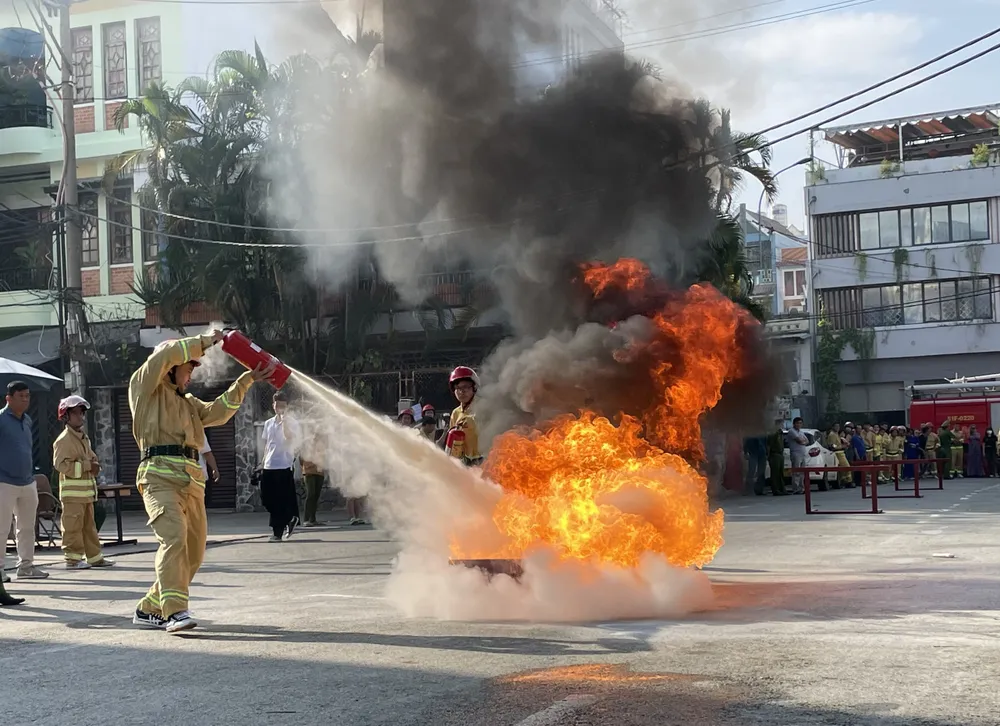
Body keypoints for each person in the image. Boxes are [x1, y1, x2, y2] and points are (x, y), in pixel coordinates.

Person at [129, 331, 274, 633]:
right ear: (173, 365)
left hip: (192, 483)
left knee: (193, 553)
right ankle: (174, 612)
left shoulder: (188, 403)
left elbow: (218, 413)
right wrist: (207, 340)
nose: (192, 373)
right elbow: (162, 356)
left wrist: (247, 379)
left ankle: (148, 608)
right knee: (174, 540)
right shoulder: (144, 388)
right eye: (189, 366)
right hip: (158, 477)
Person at [52, 395, 114, 570]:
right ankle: (72, 560)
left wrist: (95, 466)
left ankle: (95, 557)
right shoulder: (64, 440)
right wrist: (88, 466)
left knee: (89, 528)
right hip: (72, 496)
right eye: (76, 413)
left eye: (82, 413)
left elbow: (92, 459)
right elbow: (60, 465)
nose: (81, 417)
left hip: (86, 494)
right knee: (72, 528)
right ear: (66, 416)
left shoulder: (83, 437)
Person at [0, 380, 48, 581]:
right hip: (4, 481)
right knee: (2, 528)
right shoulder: (1, 419)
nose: (26, 399)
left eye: (27, 396)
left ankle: (26, 566)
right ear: (8, 398)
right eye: (21, 396)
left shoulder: (27, 420)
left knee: (27, 527)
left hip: (27, 481)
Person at [261, 390, 301, 542]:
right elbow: (267, 445)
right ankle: (290, 518)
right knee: (267, 498)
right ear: (273, 405)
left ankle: (277, 532)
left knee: (281, 498)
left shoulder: (292, 423)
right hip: (269, 464)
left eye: (283, 406)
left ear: (287, 407)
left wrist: (284, 421)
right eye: (277, 406)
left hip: (284, 464)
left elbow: (288, 437)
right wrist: (262, 462)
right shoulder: (268, 423)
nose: (280, 409)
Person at [446, 366, 485, 466]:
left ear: (474, 388)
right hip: (465, 463)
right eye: (457, 388)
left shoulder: (484, 406)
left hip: (485, 461)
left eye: (465, 387)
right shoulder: (455, 413)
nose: (461, 392)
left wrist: (471, 421)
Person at [765, 419, 787, 496]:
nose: (782, 425)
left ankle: (782, 489)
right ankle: (776, 490)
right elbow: (769, 445)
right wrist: (768, 455)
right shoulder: (773, 433)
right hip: (774, 455)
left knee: (781, 473)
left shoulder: (780, 433)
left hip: (780, 454)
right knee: (775, 473)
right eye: (781, 424)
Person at [787, 417, 809, 495]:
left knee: (803, 472)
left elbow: (807, 441)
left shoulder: (801, 432)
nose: (799, 424)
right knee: (796, 472)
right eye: (797, 423)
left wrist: (803, 441)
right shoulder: (792, 431)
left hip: (803, 453)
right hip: (796, 453)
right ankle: (796, 488)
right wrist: (802, 441)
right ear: (794, 424)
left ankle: (801, 488)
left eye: (800, 423)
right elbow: (799, 440)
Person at [826, 423, 850, 488]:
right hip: (837, 452)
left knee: (841, 468)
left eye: (838, 426)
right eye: (836, 426)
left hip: (841, 452)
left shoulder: (837, 434)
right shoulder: (832, 434)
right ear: (833, 427)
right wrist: (842, 446)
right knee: (846, 466)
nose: (837, 428)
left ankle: (843, 481)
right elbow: (833, 445)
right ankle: (847, 481)